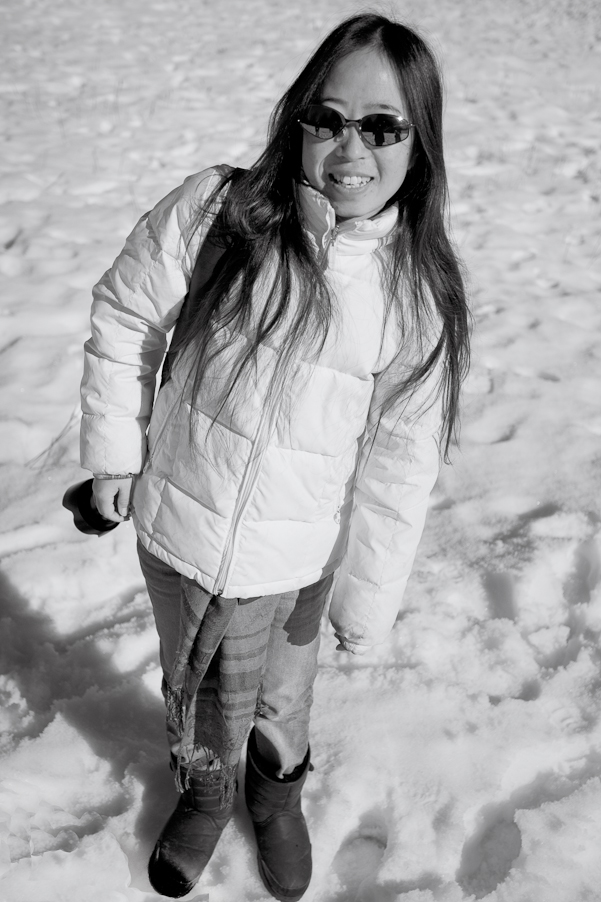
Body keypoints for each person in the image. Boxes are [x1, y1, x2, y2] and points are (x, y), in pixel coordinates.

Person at [79, 12, 469, 901]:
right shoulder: (221, 213)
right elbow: (125, 313)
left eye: (382, 126)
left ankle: (276, 789)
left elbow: (399, 468)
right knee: (194, 682)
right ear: (296, 116)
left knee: (278, 703)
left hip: (294, 567)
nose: (349, 149)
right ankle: (206, 791)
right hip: (177, 529)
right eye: (327, 118)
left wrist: (365, 603)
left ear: (420, 145)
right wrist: (114, 452)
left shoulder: (412, 295)